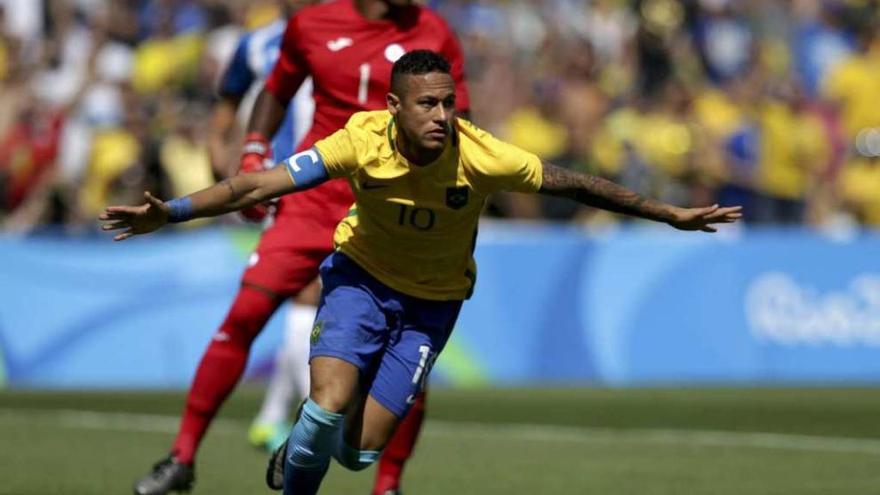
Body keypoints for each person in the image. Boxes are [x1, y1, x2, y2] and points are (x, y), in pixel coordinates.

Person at [101, 50, 741, 495]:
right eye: (428, 105)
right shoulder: (359, 139)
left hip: (432, 308)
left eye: (448, 103)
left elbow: (575, 185)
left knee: (359, 452)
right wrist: (175, 211)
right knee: (326, 407)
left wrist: (666, 213)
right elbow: (254, 185)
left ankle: (305, 445)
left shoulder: (483, 154)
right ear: (394, 107)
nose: (442, 116)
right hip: (358, 282)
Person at [130, 0, 470, 493]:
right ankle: (182, 457)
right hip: (313, 199)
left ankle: (388, 484)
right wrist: (252, 151)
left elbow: (463, 121)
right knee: (245, 314)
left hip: (388, 208)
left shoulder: (434, 31)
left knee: (408, 344)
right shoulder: (310, 25)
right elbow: (275, 91)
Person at [204, 0, 318, 455]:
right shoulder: (257, 44)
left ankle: (272, 417)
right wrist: (221, 165)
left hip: (329, 176)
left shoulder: (342, 33)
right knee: (309, 291)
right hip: (284, 178)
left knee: (317, 296)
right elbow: (226, 104)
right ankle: (314, 410)